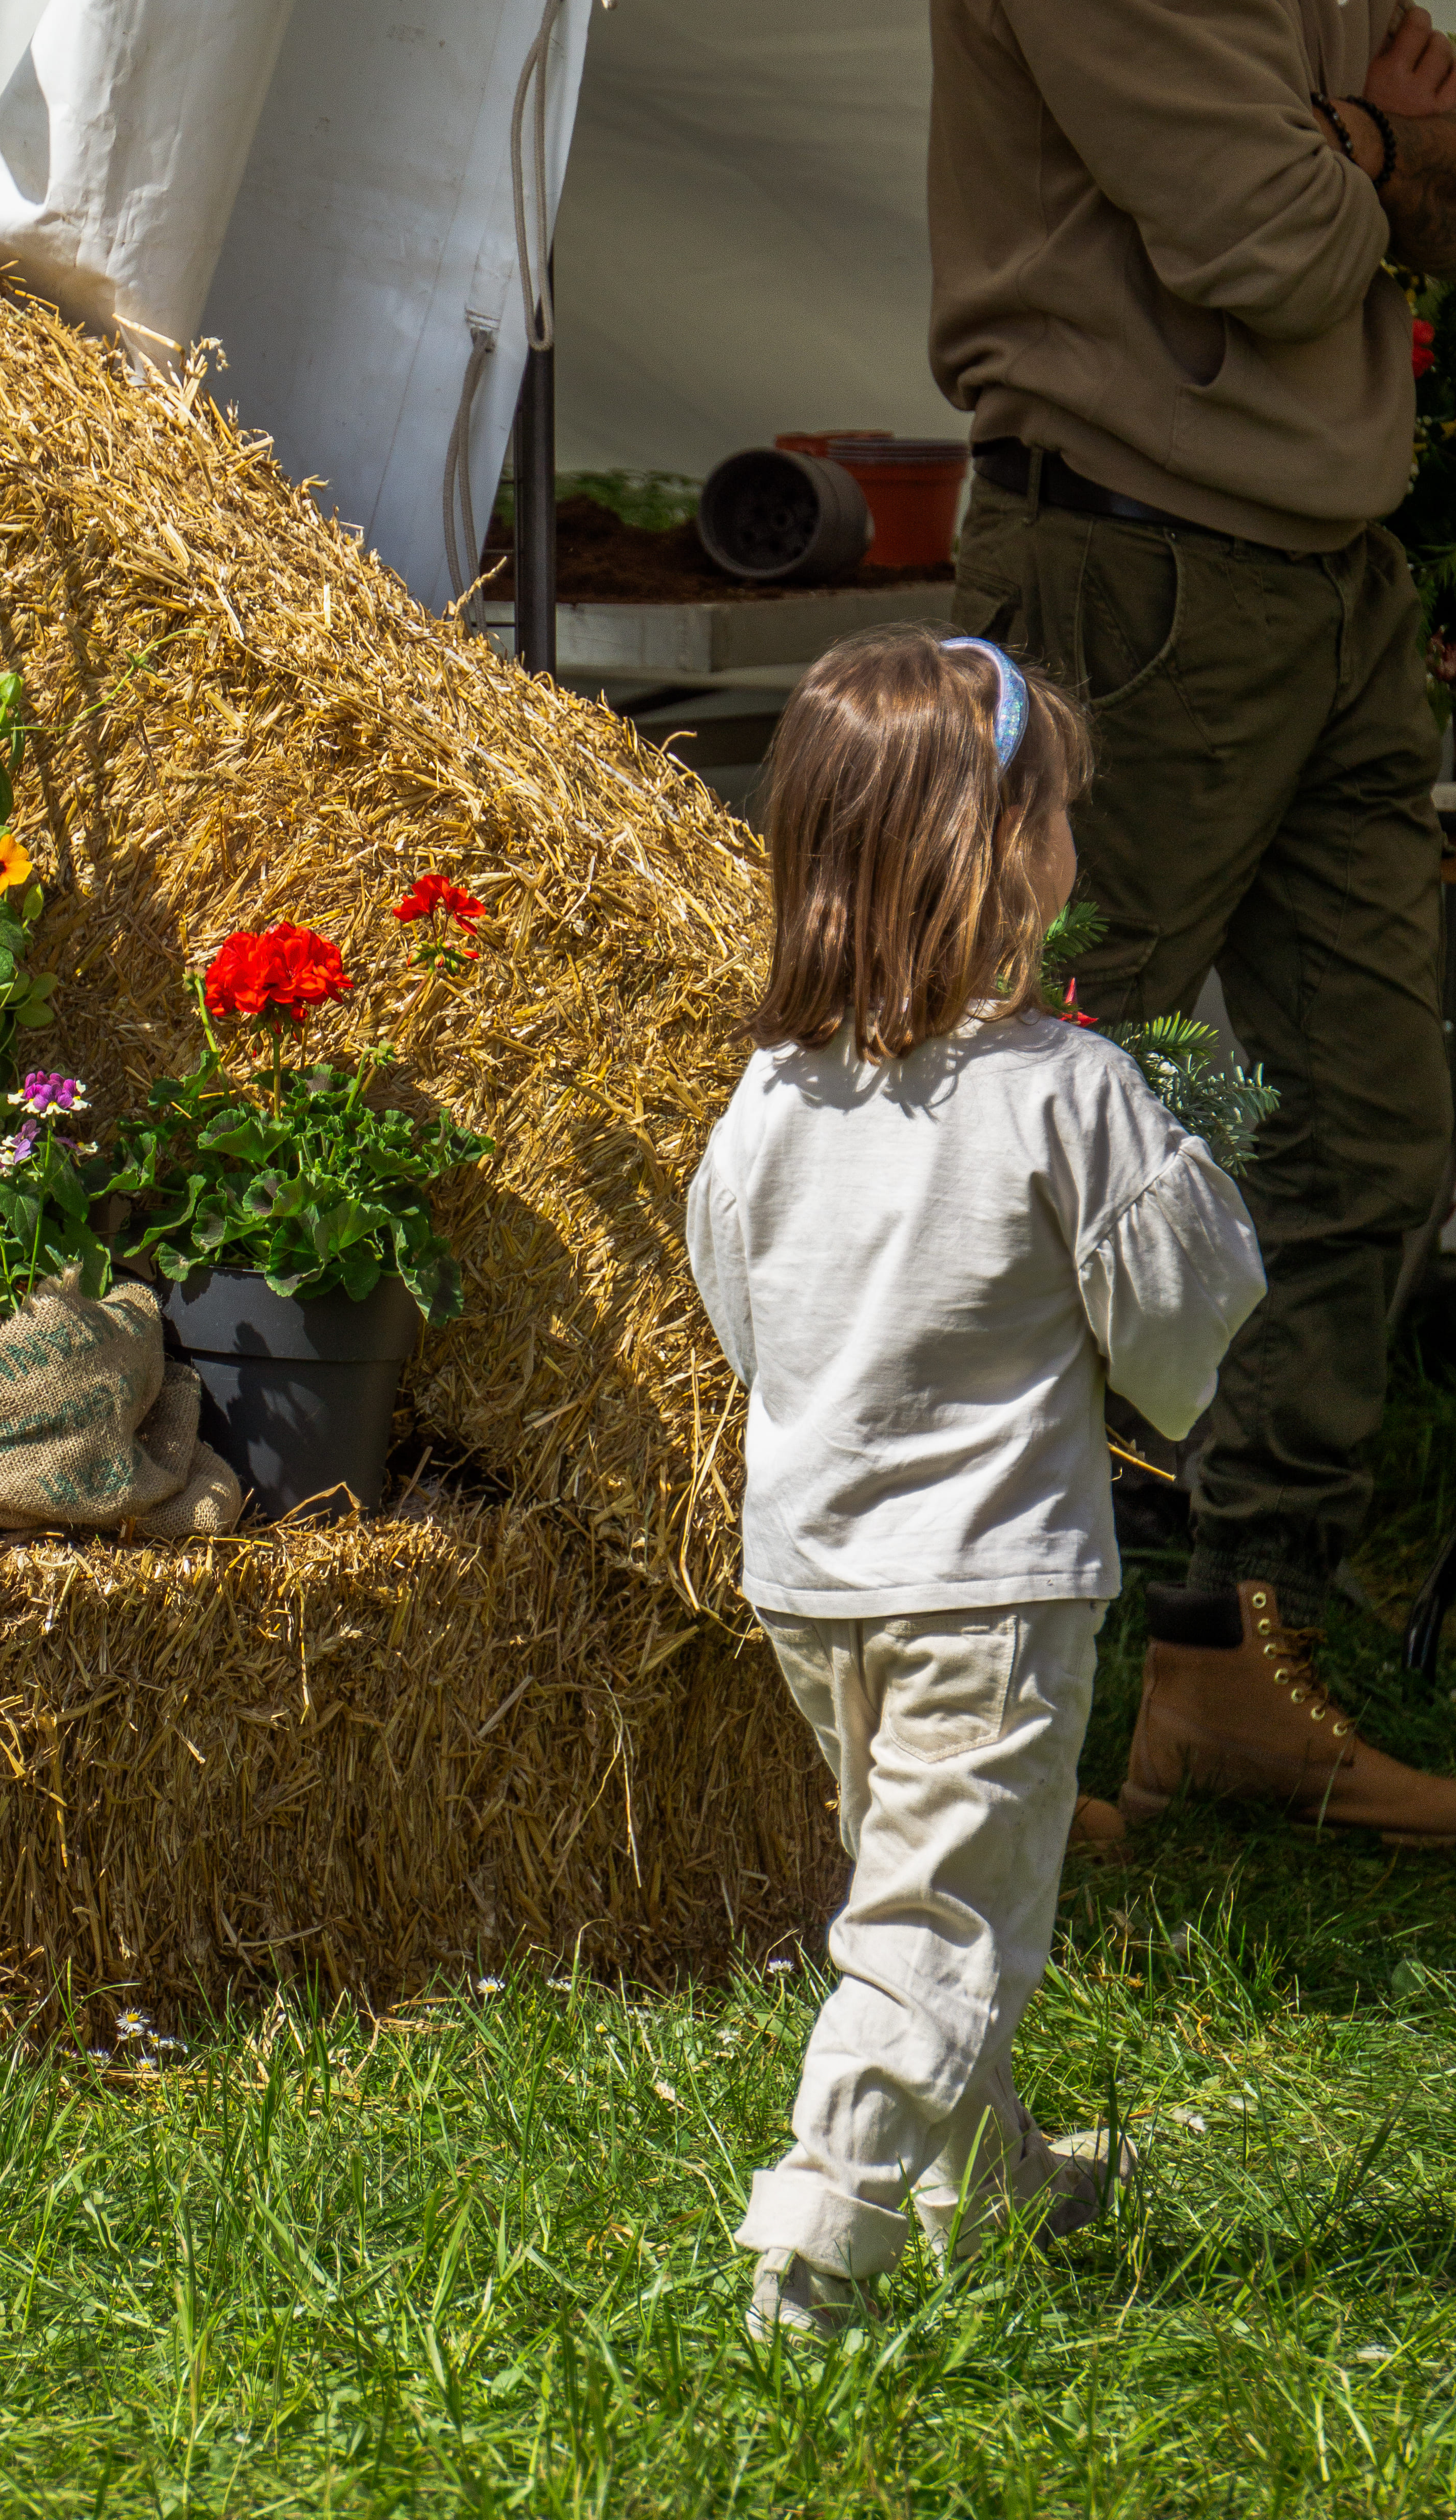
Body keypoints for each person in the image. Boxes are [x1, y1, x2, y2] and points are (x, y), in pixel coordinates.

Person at [930, 0, 1456, 1838]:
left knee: (1365, 1134)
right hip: (1133, 586)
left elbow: (1416, 183)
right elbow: (1266, 236)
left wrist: (1372, 155)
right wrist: (1365, 147)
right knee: (1032, 1132)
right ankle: (968, 1687)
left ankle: (1231, 1663)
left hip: (1324, 581)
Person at [687, 627, 1265, 2341]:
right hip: (993, 1592)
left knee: (922, 1886)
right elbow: (1178, 1322)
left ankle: (982, 2175)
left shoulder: (773, 1095)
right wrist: (1196, 1190)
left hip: (815, 1581)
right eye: (1060, 808)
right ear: (1005, 853)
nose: (1077, 838)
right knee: (944, 1924)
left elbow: (740, 1305)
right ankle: (821, 2239)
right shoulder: (1067, 1093)